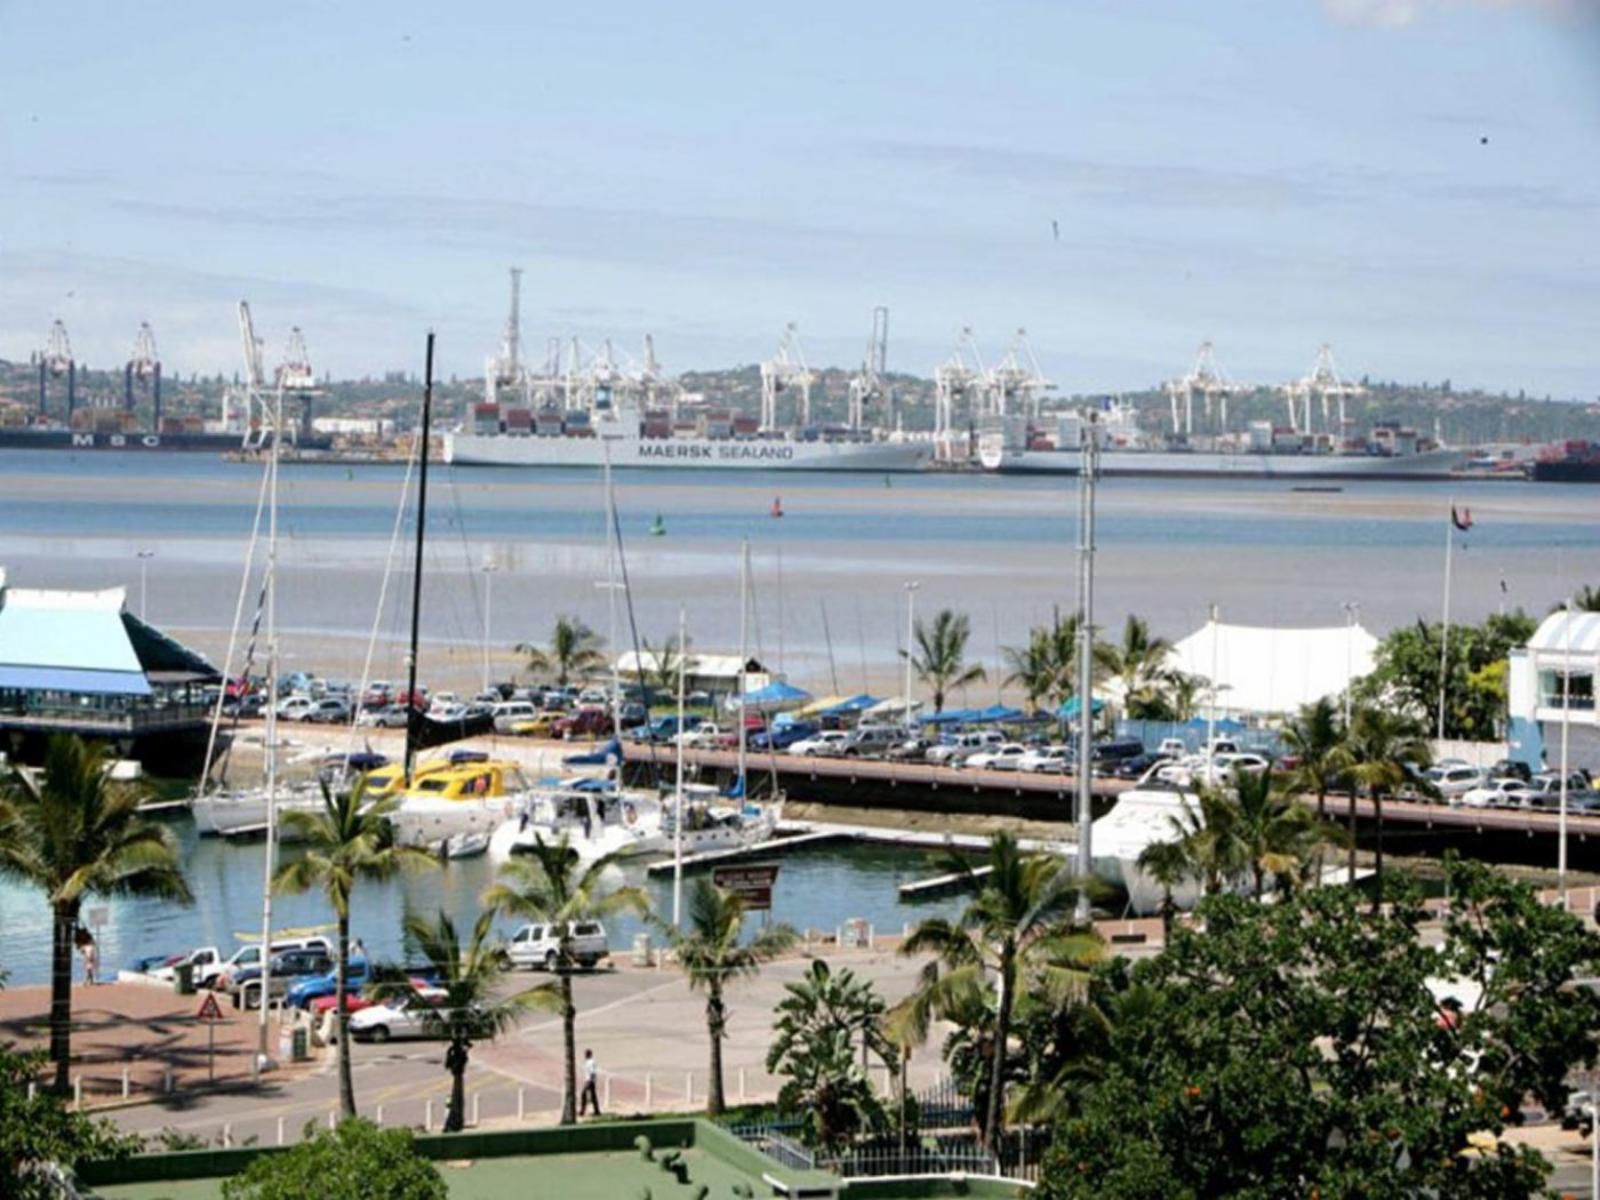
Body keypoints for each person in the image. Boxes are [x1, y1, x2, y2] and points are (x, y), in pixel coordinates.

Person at [579, 1048, 601, 1116]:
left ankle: (582, 1111)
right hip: (589, 1081)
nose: (585, 1055)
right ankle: (597, 1111)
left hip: (589, 1081)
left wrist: (590, 1081)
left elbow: (592, 1072)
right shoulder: (588, 1061)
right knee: (593, 1096)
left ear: (589, 1054)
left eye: (586, 1054)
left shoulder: (591, 1062)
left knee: (583, 1094)